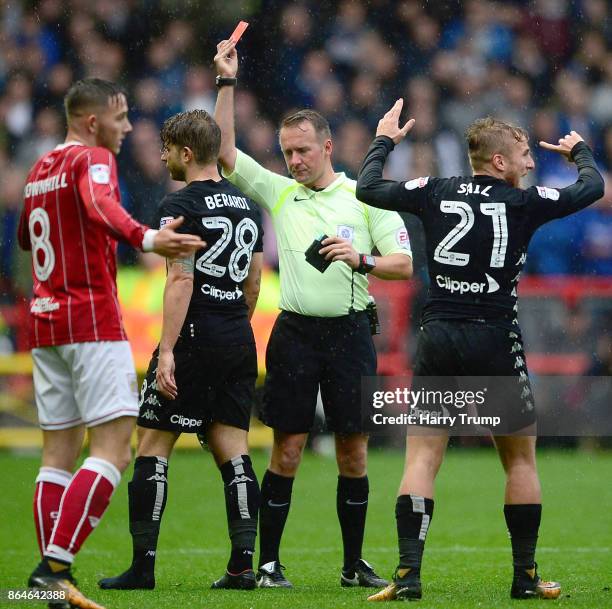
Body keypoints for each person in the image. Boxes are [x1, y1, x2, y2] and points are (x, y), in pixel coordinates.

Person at [356, 100, 604, 601]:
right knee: (520, 463)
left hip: (440, 337)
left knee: (423, 457)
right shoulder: (525, 202)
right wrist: (580, 152)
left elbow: (367, 188)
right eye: (524, 153)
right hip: (494, 339)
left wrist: (384, 141)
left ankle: (407, 575)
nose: (531, 162)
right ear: (498, 162)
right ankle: (525, 577)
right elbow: (592, 188)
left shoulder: (435, 191)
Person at [213, 40, 413, 589]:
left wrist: (362, 258)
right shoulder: (281, 194)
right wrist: (227, 83)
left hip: (351, 333)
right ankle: (270, 563)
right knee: (289, 446)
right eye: (287, 152)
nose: (294, 161)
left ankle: (352, 565)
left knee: (353, 450)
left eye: (303, 150)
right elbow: (226, 154)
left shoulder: (365, 197)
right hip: (296, 332)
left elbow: (403, 264)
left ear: (327, 146)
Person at [18, 78, 205, 609]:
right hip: (90, 320)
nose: (127, 128)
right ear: (93, 121)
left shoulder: (38, 170)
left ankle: (54, 584)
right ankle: (53, 569)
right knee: (114, 449)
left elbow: (28, 239)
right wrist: (147, 237)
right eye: (121, 118)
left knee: (56, 452)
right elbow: (99, 203)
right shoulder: (93, 158)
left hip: (45, 318)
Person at [98, 109, 265, 591]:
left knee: (153, 445)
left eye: (167, 150)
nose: (163, 157)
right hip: (237, 336)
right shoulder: (248, 206)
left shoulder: (181, 204)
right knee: (233, 450)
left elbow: (180, 278)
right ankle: (241, 567)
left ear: (186, 153)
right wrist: (231, 327)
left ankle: (143, 566)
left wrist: (167, 351)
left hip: (191, 338)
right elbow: (252, 284)